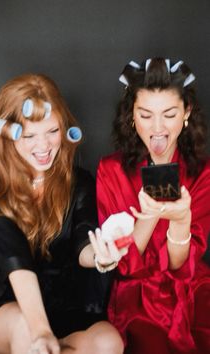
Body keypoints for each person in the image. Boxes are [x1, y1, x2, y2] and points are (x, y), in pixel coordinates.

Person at [0, 73, 124, 354]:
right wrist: (41, 331)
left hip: (64, 308)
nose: (44, 147)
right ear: (7, 136)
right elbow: (16, 263)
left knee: (108, 341)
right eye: (30, 135)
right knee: (25, 329)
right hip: (11, 311)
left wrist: (101, 256)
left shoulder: (79, 182)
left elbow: (84, 242)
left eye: (52, 131)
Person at [89, 58, 210, 353]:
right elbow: (126, 266)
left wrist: (180, 220)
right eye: (145, 115)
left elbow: (183, 266)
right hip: (138, 296)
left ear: (186, 113)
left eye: (169, 114)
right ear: (131, 116)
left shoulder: (203, 173)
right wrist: (150, 216)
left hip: (194, 289)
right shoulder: (111, 170)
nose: (157, 128)